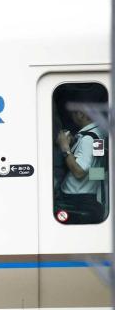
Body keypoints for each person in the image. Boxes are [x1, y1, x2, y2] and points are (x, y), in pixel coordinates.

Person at [56, 89, 108, 222]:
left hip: (77, 201)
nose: (72, 117)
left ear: (81, 114)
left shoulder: (87, 139)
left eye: (73, 113)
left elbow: (79, 172)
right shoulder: (98, 134)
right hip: (89, 197)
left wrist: (65, 148)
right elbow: (99, 168)